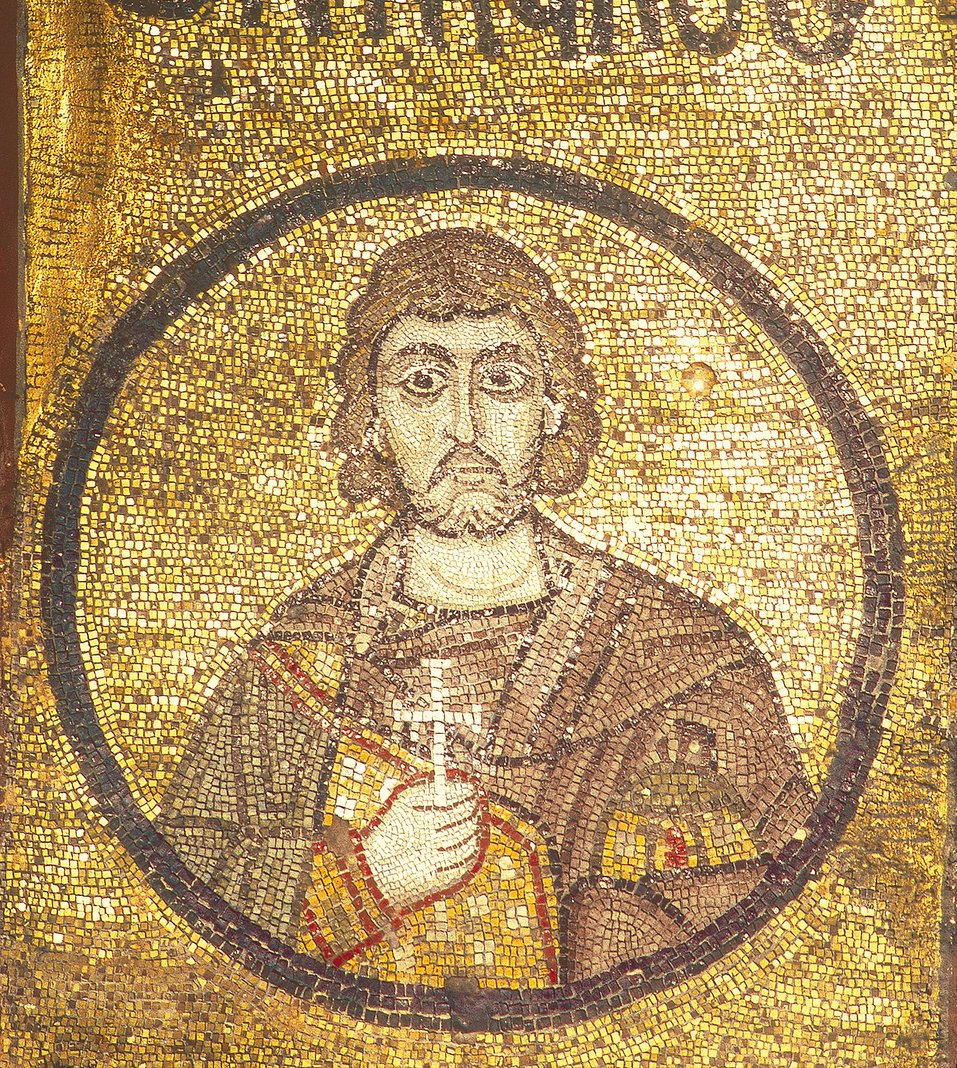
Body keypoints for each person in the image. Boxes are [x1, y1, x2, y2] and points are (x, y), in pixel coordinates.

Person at [157, 227, 813, 1004]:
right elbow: (183, 904)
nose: (463, 426)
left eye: (501, 381)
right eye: (422, 383)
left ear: (551, 408)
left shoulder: (686, 663)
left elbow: (775, 926)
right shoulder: (300, 663)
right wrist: (361, 878)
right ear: (371, 419)